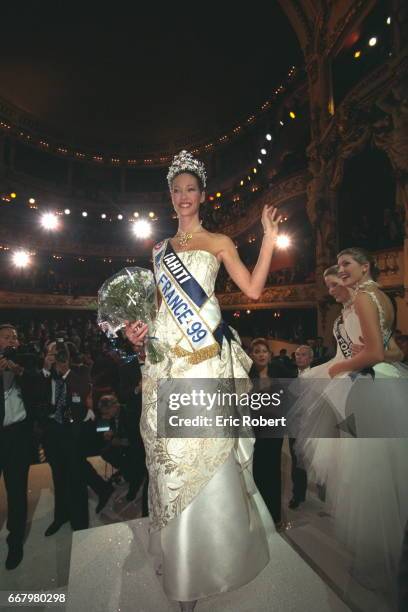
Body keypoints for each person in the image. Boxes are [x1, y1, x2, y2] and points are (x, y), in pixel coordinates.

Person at [125, 150, 281, 611]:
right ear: (170, 198)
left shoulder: (219, 241)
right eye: (177, 190)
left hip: (204, 361)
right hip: (165, 365)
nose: (184, 197)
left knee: (205, 451)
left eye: (191, 189)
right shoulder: (158, 251)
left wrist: (270, 239)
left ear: (202, 194)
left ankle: (210, 561)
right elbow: (155, 313)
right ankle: (179, 560)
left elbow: (252, 290)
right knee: (170, 459)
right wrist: (139, 336)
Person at [293, 251, 408, 599]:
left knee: (371, 478)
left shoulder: (363, 298)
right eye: (336, 269)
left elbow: (372, 353)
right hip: (381, 385)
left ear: (364, 267)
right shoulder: (380, 297)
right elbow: (395, 352)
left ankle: (379, 560)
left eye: (345, 266)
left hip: (367, 386)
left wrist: (331, 370)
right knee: (387, 473)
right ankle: (390, 557)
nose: (340, 274)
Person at [0, 324, 38, 570]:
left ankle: (15, 542)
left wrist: (17, 369)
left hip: (18, 436)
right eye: (5, 337)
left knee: (16, 491)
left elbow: (39, 386)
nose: (12, 340)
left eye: (14, 336)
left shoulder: (28, 360)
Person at [250, 338, 294, 526]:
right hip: (255, 429)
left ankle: (275, 516)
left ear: (270, 354)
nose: (261, 354)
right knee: (258, 470)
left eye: (264, 351)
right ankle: (260, 516)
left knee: (274, 471)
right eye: (257, 351)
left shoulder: (280, 371)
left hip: (275, 428)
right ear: (252, 355)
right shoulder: (247, 374)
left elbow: (292, 394)